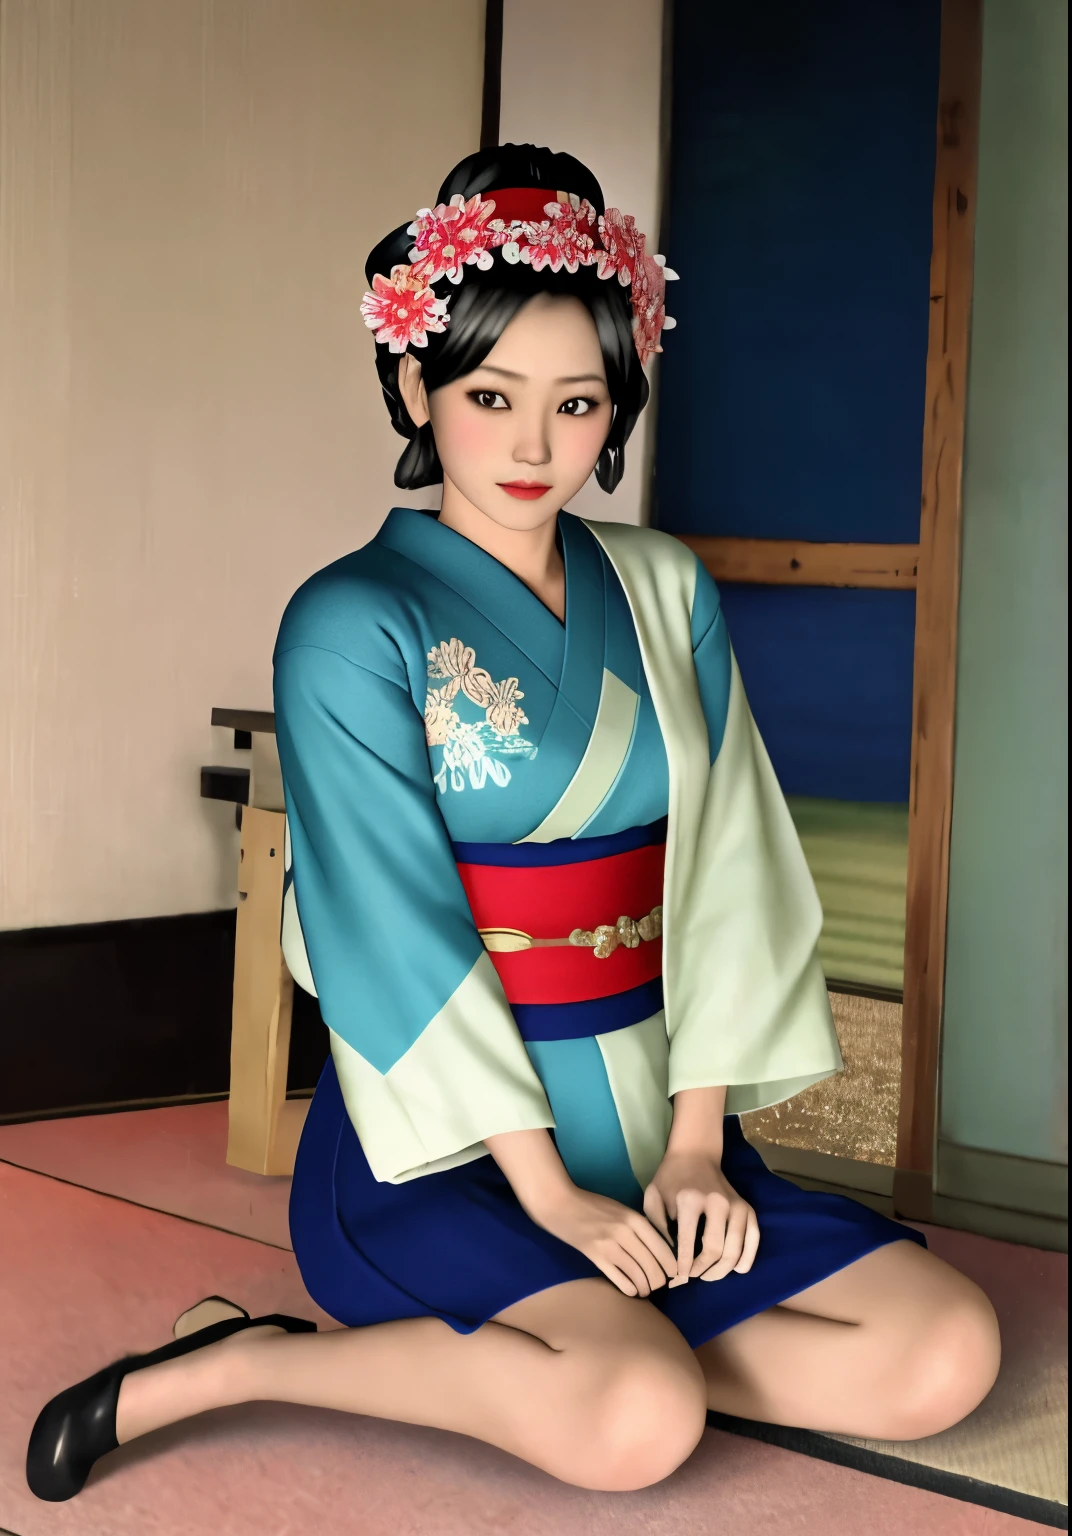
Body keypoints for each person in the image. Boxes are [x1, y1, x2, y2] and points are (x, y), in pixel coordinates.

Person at [27, 144, 1000, 1504]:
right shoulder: (352, 620)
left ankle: (573, 1348)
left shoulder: (661, 585)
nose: (537, 447)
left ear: (620, 407)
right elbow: (390, 932)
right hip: (445, 1144)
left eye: (579, 403)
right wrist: (549, 1197)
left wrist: (697, 1147)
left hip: (653, 1116)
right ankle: (246, 1363)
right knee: (635, 1426)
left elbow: (727, 862)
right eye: (492, 396)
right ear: (418, 384)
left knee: (942, 1355)